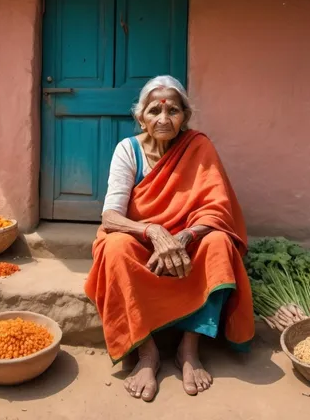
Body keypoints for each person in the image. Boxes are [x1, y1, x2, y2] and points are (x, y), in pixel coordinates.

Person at [84, 75, 254, 402]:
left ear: (185, 117)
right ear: (140, 117)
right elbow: (110, 216)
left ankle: (189, 350)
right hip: (140, 240)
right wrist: (153, 230)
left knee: (218, 243)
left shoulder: (198, 147)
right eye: (154, 111)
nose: (164, 119)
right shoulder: (128, 150)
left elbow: (217, 209)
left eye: (173, 111)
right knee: (114, 247)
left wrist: (185, 236)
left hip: (186, 240)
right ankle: (147, 354)